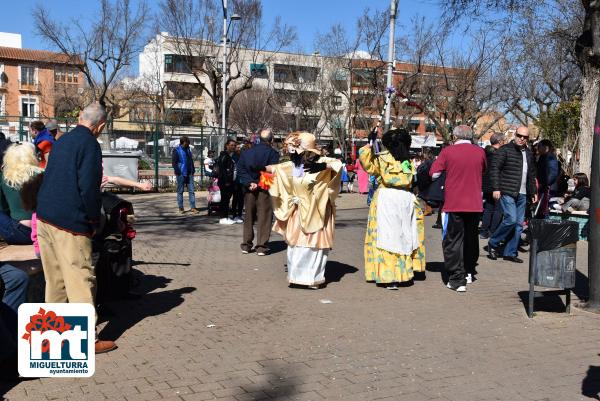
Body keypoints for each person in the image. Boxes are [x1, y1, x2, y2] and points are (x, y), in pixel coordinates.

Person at [36, 102, 116, 354]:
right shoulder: (90, 145)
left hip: (45, 217)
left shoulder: (62, 141)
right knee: (81, 280)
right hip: (70, 223)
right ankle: (87, 341)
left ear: (80, 117)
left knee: (55, 281)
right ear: (100, 126)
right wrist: (93, 221)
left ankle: (50, 338)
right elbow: (89, 189)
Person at [267, 132, 341, 288]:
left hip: (318, 211)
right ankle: (296, 276)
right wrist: (259, 173)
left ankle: (312, 279)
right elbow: (275, 170)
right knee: (297, 246)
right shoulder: (293, 166)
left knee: (314, 246)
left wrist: (323, 166)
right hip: (298, 212)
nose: (291, 153)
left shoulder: (323, 162)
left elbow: (338, 165)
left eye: (295, 149)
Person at [359, 128, 426, 289]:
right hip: (396, 200)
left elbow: (366, 162)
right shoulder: (395, 159)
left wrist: (370, 144)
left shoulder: (398, 160)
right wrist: (371, 143)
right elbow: (368, 163)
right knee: (396, 236)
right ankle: (396, 274)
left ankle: (395, 274)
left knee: (396, 236)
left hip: (396, 200)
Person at [430, 125, 486, 292]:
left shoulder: (447, 152)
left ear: (454, 137)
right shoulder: (480, 152)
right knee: (471, 239)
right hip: (475, 203)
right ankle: (468, 271)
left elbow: (434, 174)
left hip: (454, 203)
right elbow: (483, 170)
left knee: (453, 240)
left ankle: (456, 279)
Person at [487, 126, 537, 263]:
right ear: (515, 135)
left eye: (525, 137)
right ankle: (493, 242)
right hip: (507, 191)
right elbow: (494, 169)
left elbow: (531, 175)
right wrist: (496, 188)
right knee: (511, 219)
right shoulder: (505, 150)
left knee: (519, 225)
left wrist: (533, 191)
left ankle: (510, 252)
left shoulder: (528, 153)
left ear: (528, 138)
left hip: (523, 193)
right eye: (519, 135)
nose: (522, 138)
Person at [237, 129, 280, 255]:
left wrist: (249, 182)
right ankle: (261, 247)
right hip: (264, 189)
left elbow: (240, 169)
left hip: (249, 188)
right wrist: (259, 183)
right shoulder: (273, 153)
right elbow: (271, 171)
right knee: (265, 217)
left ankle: (246, 245)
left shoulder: (246, 152)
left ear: (259, 139)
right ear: (271, 140)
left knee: (249, 216)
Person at [0, 143, 43, 245]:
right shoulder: (43, 174)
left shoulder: (4, 177)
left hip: (18, 233)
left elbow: (2, 208)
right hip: (42, 232)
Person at [480, 132, 505, 238]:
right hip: (497, 185)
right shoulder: (499, 154)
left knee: (488, 208)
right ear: (500, 141)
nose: (505, 142)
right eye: (504, 140)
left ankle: (484, 231)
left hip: (486, 184)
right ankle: (492, 231)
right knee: (498, 209)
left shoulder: (485, 153)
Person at [172, 136, 198, 214]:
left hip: (189, 173)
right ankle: (181, 208)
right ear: (183, 142)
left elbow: (191, 161)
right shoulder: (176, 150)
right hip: (181, 173)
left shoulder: (188, 150)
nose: (189, 144)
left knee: (191, 191)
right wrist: (178, 172)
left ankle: (193, 207)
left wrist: (193, 170)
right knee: (180, 191)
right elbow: (174, 163)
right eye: (187, 143)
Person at [215, 139, 237, 224]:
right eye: (231, 145)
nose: (233, 147)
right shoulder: (224, 156)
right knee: (224, 199)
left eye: (234, 145)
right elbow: (223, 170)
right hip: (225, 182)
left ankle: (225, 217)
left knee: (226, 199)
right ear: (226, 145)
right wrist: (226, 181)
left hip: (228, 181)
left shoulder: (229, 156)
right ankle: (223, 218)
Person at [535, 139, 559, 218]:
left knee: (546, 208)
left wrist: (545, 183)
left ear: (546, 147)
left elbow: (553, 173)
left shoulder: (551, 157)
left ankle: (546, 224)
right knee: (540, 208)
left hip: (548, 188)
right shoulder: (542, 157)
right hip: (541, 187)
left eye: (539, 147)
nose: (538, 148)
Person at [231, 143, 244, 223]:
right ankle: (234, 215)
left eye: (240, 147)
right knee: (235, 198)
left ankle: (239, 214)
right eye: (237, 147)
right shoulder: (233, 157)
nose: (239, 149)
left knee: (241, 199)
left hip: (242, 180)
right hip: (235, 180)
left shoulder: (243, 156)